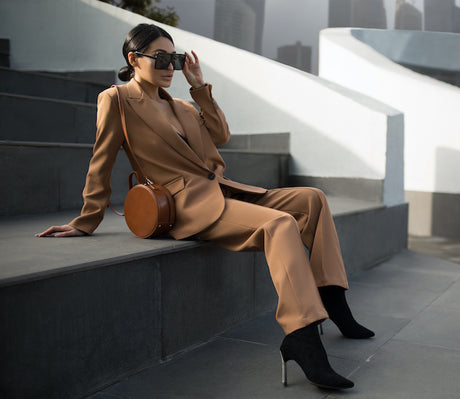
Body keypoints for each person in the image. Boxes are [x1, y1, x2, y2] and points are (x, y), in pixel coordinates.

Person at [36, 23, 373, 390]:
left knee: (312, 199)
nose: (171, 66)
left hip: (221, 191)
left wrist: (199, 87)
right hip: (187, 205)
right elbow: (100, 160)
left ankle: (333, 300)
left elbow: (221, 135)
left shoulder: (181, 104)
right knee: (279, 224)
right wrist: (87, 220)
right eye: (162, 58)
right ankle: (302, 336)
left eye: (176, 59)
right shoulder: (117, 100)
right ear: (134, 59)